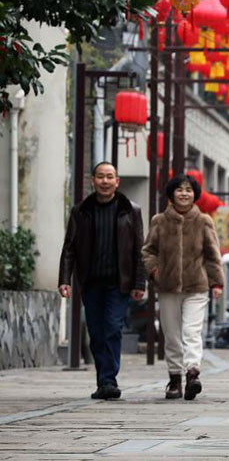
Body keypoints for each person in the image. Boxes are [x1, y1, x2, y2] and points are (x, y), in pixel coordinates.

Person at [58, 162, 146, 400]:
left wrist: (140, 283)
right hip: (91, 282)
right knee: (96, 332)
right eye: (101, 177)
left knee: (112, 327)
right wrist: (64, 279)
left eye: (110, 177)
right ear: (93, 180)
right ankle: (103, 380)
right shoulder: (80, 211)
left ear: (117, 182)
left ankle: (109, 380)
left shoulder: (131, 210)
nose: (105, 181)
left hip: (119, 283)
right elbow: (70, 248)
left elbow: (139, 248)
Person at [142, 174, 224, 400]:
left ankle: (193, 373)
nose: (184, 193)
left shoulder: (203, 220)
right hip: (167, 286)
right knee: (171, 334)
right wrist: (155, 271)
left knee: (191, 331)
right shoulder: (159, 221)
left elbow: (212, 254)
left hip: (196, 285)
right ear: (171, 194)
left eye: (188, 189)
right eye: (179, 189)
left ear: (194, 194)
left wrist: (216, 282)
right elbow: (148, 251)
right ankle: (175, 378)